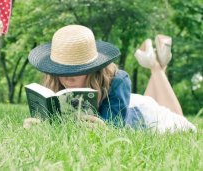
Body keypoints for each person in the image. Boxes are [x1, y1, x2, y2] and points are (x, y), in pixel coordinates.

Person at [23, 24, 197, 133]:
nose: (67, 77)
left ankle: (156, 66)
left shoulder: (118, 80)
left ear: (92, 67)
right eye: (62, 69)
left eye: (75, 69)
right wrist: (40, 126)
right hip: (130, 102)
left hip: (144, 114)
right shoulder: (55, 84)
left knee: (184, 124)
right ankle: (155, 62)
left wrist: (102, 129)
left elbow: (115, 128)